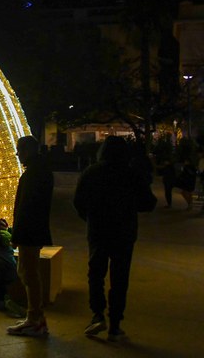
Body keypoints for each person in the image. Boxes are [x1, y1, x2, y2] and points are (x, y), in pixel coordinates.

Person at [74, 136, 157, 341]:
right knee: (120, 278)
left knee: (96, 273)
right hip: (124, 232)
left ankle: (97, 314)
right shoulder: (131, 174)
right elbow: (148, 202)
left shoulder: (91, 173)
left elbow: (78, 201)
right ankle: (115, 324)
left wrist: (90, 217)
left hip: (98, 231)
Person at [6, 135, 54, 337]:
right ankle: (35, 317)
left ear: (28, 151)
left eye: (20, 150)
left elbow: (26, 208)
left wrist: (16, 233)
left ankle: (35, 319)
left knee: (29, 273)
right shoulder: (41, 171)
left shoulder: (33, 174)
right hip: (34, 230)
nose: (17, 154)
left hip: (29, 232)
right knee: (29, 272)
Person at [0, 219, 26, 318]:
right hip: (9, 265)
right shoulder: (8, 236)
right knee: (5, 284)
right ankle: (7, 299)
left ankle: (0, 301)